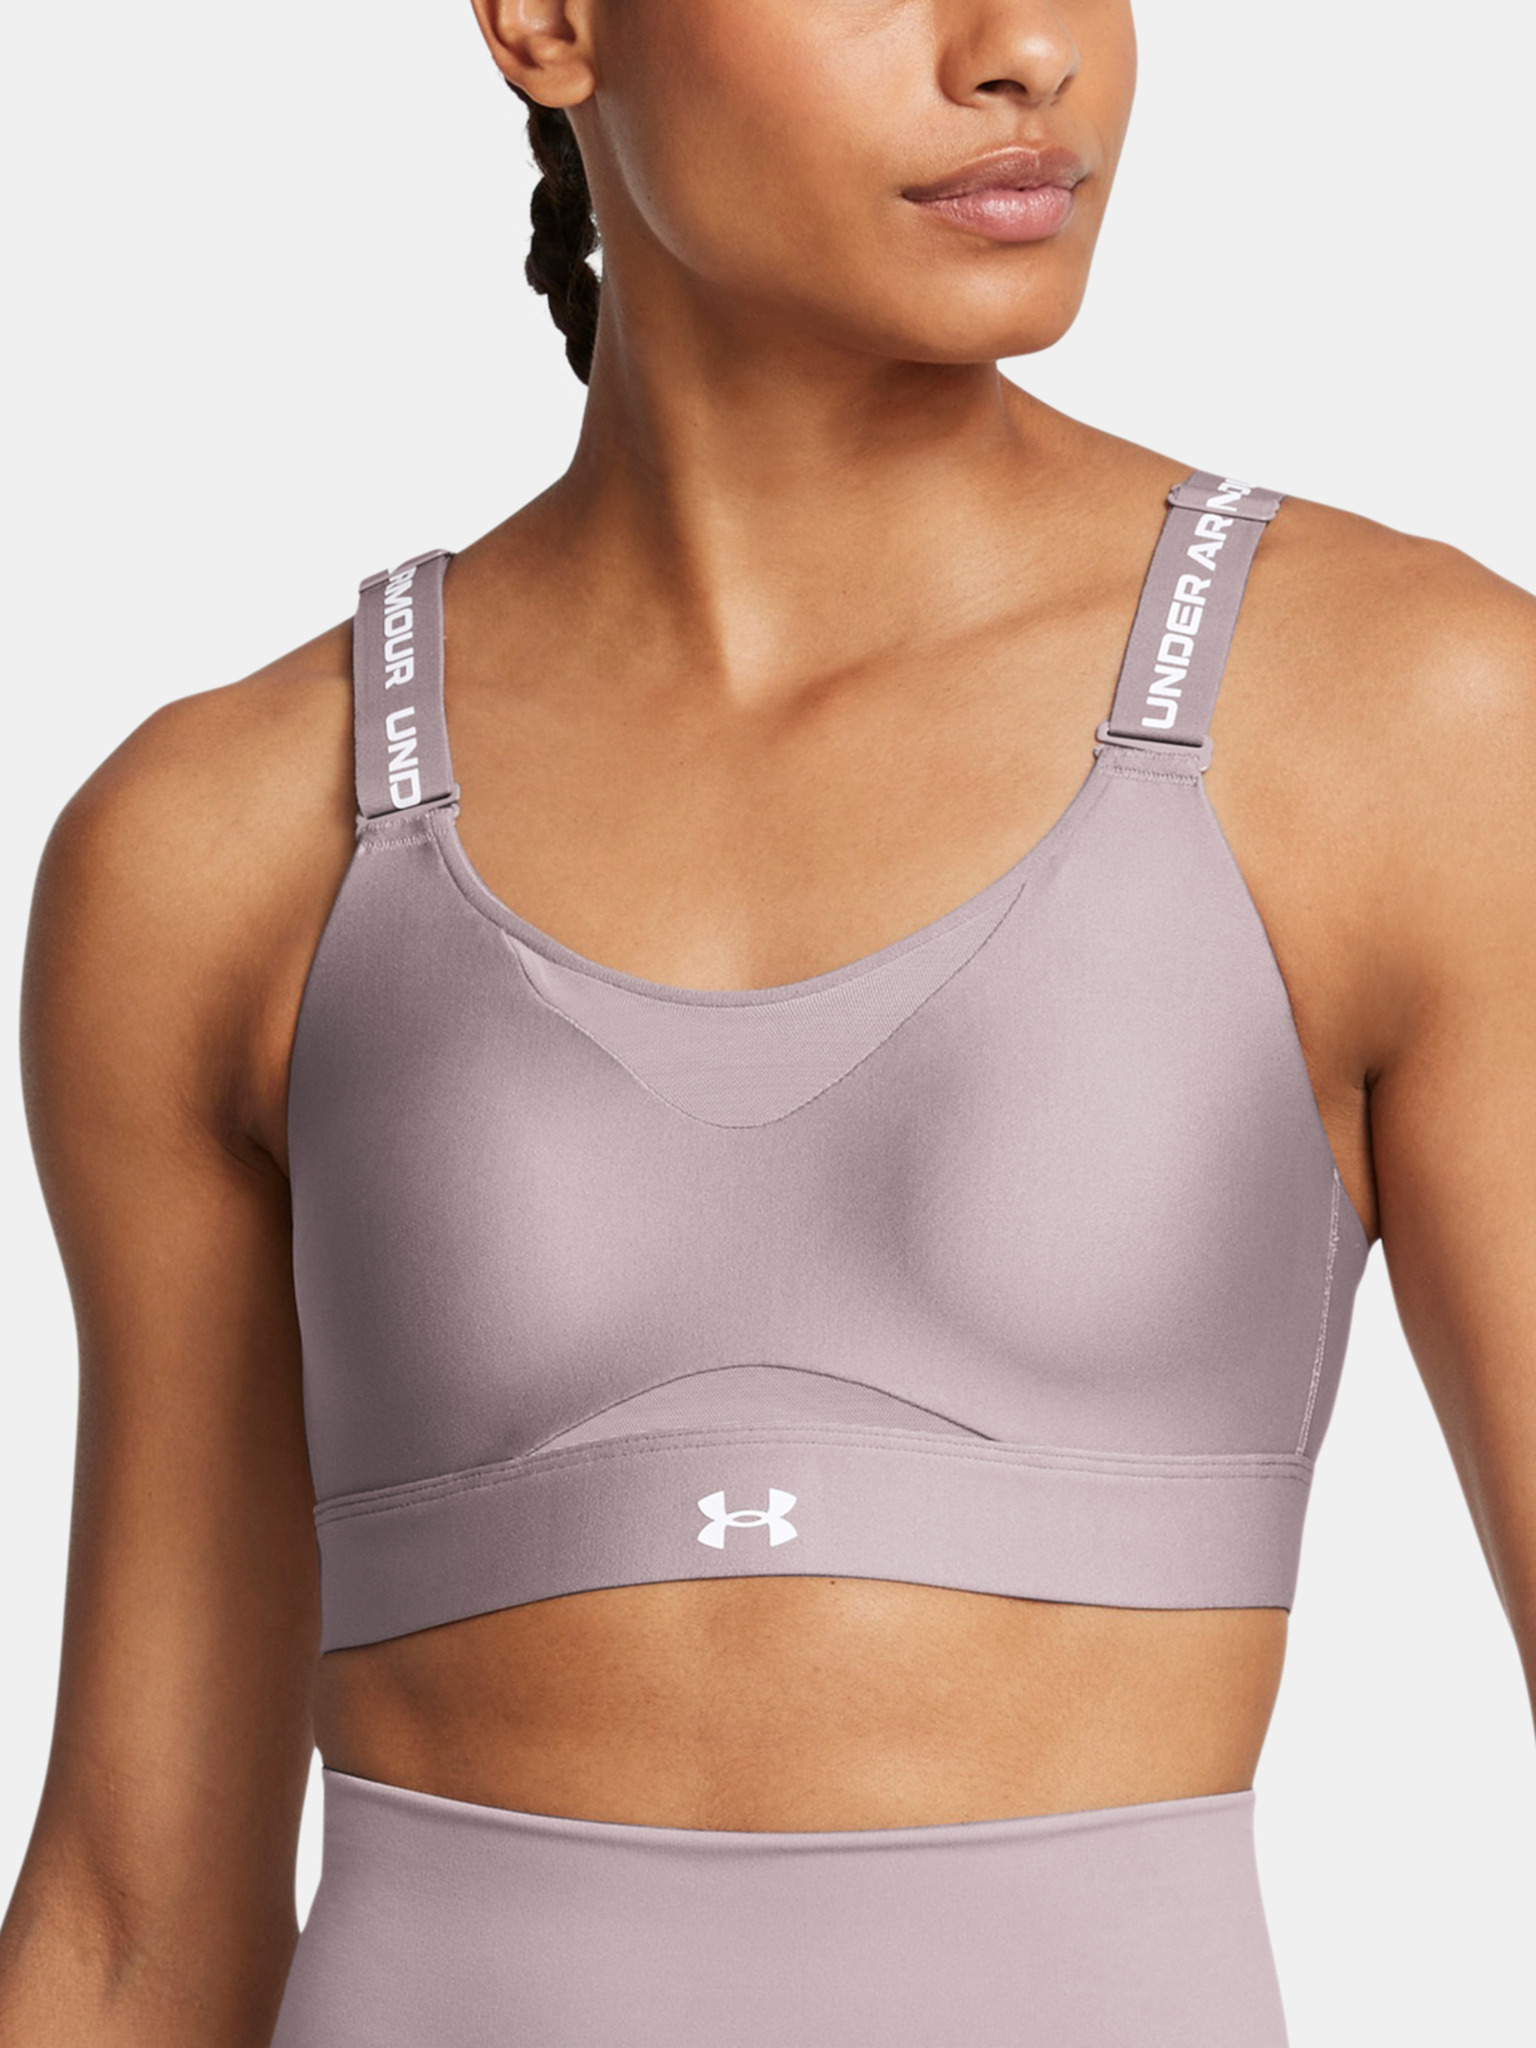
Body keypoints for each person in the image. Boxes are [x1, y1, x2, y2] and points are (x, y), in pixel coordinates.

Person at [1, 0, 1532, 2042]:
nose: (1026, 48)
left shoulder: (1408, 727)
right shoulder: (220, 846)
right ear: (550, 23)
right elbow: (135, 1919)